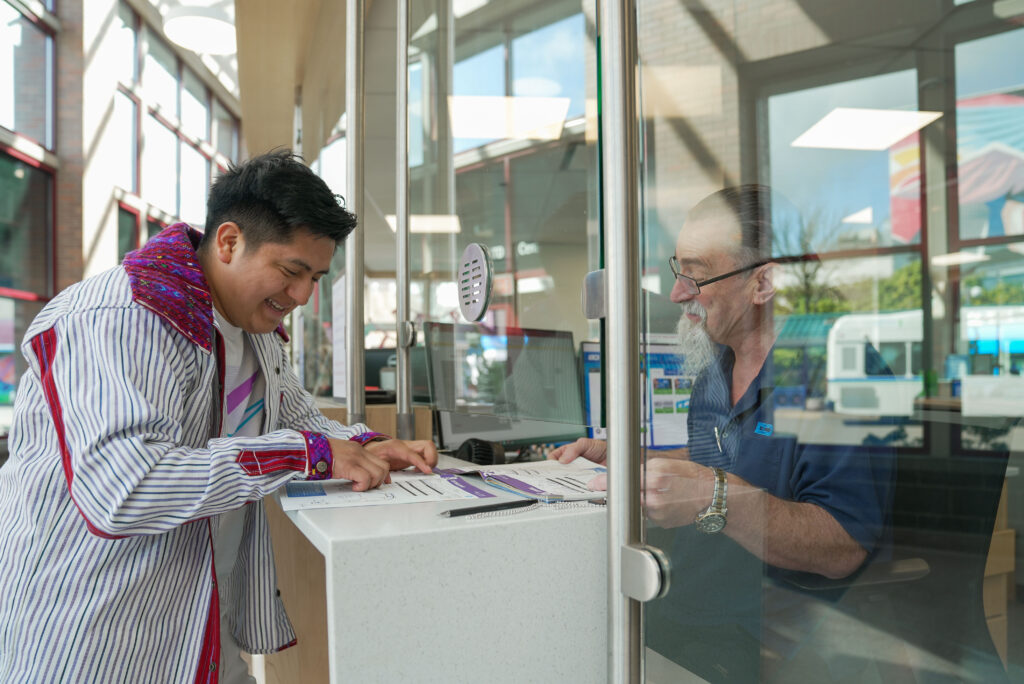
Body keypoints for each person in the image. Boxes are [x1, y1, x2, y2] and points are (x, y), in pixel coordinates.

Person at [0, 150, 437, 683]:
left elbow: (297, 419)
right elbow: (123, 490)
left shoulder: (253, 331)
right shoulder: (118, 317)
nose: (302, 296)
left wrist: (367, 443)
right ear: (229, 242)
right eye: (291, 271)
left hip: (198, 626)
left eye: (316, 277)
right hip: (92, 635)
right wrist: (308, 455)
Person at [552, 185, 893, 681]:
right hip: (680, 608)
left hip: (768, 640)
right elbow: (721, 463)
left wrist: (711, 498)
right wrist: (627, 456)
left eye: (697, 273)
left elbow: (843, 546)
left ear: (764, 283)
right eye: (678, 270)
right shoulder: (717, 365)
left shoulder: (839, 370)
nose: (676, 293)